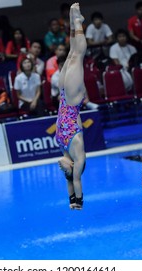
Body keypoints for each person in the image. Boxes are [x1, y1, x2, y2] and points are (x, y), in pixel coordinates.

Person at [56, 3, 87, 210]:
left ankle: (73, 18)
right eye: (63, 169)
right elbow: (75, 181)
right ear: (72, 168)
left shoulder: (62, 145)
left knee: (69, 55)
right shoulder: (77, 151)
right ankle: (77, 23)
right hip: (73, 100)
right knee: (78, 57)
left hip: (62, 97)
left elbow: (68, 181)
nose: (60, 167)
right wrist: (77, 201)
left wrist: (69, 199)